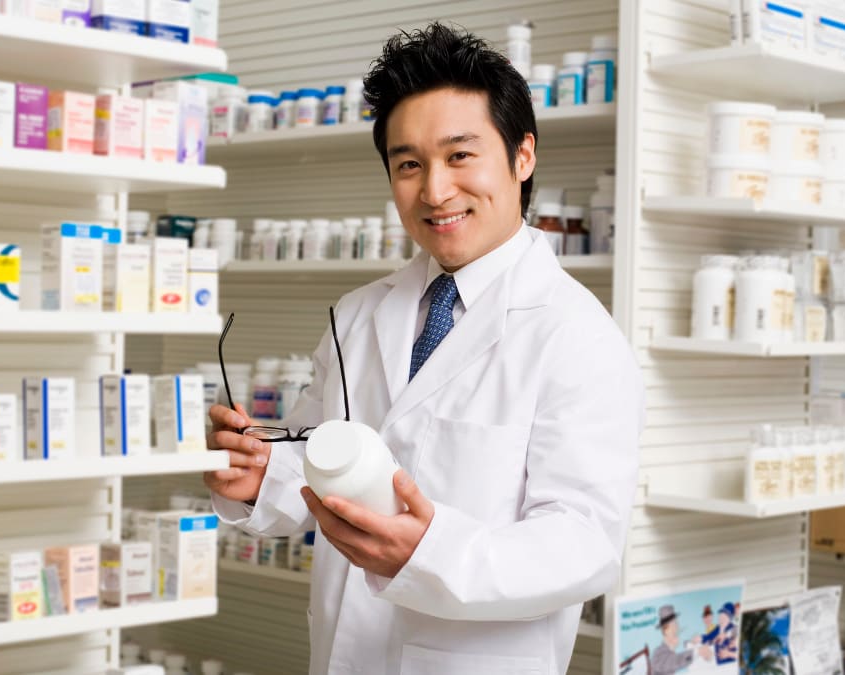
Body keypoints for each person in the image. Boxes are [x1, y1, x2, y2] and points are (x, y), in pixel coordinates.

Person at [203, 22, 643, 675]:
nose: (434, 191)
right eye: (409, 164)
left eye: (460, 156)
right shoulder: (357, 316)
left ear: (523, 157)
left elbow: (585, 542)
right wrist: (256, 477)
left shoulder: (577, 335)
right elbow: (312, 463)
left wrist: (433, 550)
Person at [650, 606, 709, 675]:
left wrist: (694, 645)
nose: (677, 628)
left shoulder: (671, 652)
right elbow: (675, 661)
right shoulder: (658, 654)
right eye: (674, 625)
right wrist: (697, 652)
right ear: (665, 630)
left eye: (676, 624)